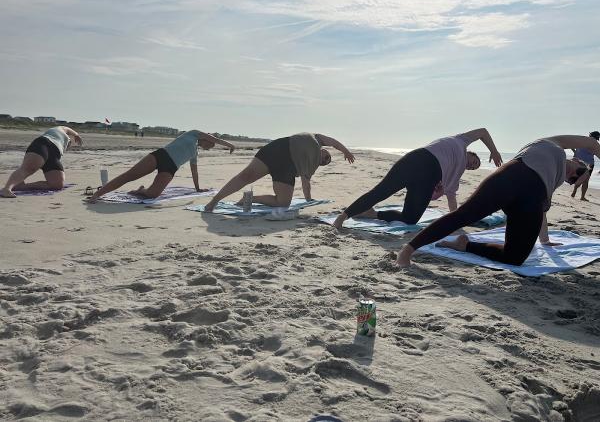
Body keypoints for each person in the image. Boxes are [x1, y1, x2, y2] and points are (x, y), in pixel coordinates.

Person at [396, 135, 597, 267]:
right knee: (464, 215)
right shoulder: (551, 144)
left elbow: (542, 212)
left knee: (515, 258)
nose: (572, 175)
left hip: (531, 198)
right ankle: (407, 250)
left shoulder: (552, 181)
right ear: (577, 160)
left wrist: (544, 240)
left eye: (573, 180)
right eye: (578, 171)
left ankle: (464, 244)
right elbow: (591, 144)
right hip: (511, 177)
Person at [332, 128, 503, 229]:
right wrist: (493, 151)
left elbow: (452, 200)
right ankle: (342, 217)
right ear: (470, 153)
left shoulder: (455, 175)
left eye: (473, 168)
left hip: (429, 177)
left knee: (411, 219)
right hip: (418, 159)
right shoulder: (461, 140)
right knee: (381, 191)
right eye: (474, 161)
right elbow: (483, 132)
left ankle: (373, 213)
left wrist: (454, 223)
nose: (472, 166)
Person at [204, 133, 355, 211]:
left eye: (325, 162)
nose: (325, 159)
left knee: (283, 203)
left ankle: (249, 199)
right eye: (327, 156)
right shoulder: (317, 139)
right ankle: (214, 201)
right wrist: (346, 151)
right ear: (324, 150)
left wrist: (308, 200)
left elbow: (306, 183)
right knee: (246, 176)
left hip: (288, 167)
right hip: (279, 149)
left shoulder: (311, 166)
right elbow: (334, 142)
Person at [87, 130, 235, 202]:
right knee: (129, 175)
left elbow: (194, 171)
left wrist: (197, 188)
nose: (211, 146)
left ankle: (142, 190)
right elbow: (215, 138)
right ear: (206, 139)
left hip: (171, 168)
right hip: (161, 156)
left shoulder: (195, 153)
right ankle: (97, 195)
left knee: (153, 195)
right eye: (211, 144)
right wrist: (229, 145)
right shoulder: (193, 134)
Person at [1, 126, 83, 198]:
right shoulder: (58, 130)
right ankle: (6, 189)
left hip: (55, 155)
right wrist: (76, 135)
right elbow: (67, 128)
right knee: (29, 169)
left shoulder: (63, 145)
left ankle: (20, 186)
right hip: (44, 144)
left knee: (57, 185)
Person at [571, 131, 599, 201]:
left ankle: (574, 191)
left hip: (579, 161)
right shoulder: (595, 144)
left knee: (579, 177)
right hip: (589, 164)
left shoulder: (582, 141)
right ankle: (582, 197)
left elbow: (571, 145)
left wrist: (575, 152)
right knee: (586, 180)